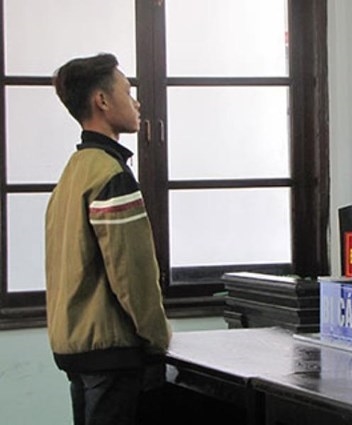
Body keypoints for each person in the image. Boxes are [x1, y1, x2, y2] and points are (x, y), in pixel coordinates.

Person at [45, 53, 171, 425]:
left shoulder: (73, 172)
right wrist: (158, 337)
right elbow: (132, 273)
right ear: (102, 100)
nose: (137, 103)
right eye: (128, 92)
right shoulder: (110, 174)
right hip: (111, 350)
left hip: (74, 346)